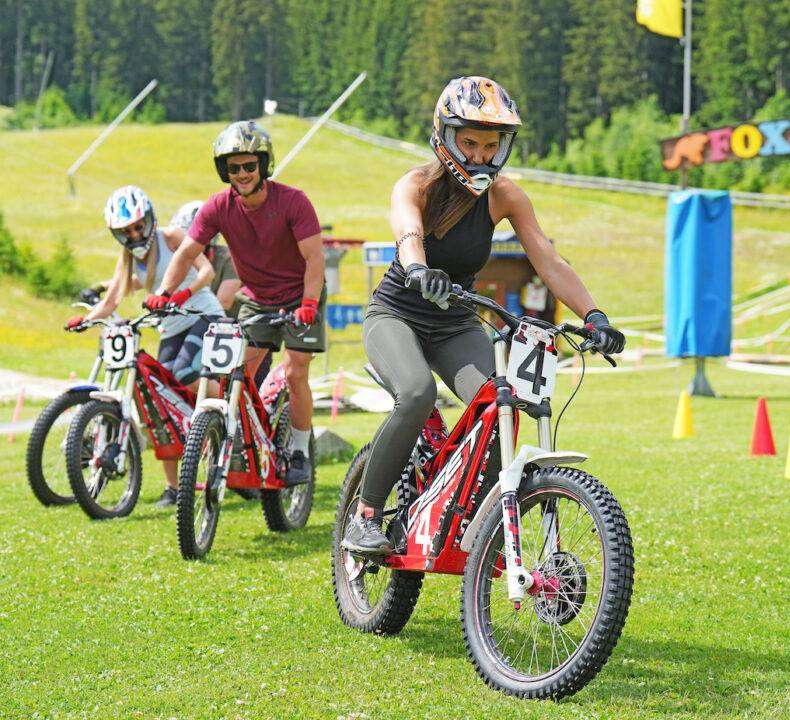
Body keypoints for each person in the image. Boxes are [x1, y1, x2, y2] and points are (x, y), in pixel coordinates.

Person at [341, 76, 626, 554]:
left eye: (490, 145)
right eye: (468, 142)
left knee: (502, 406)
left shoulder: (505, 196)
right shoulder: (415, 185)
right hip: (396, 313)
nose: (478, 155)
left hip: (454, 323)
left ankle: (472, 520)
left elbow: (548, 261)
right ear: (445, 137)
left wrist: (595, 315)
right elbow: (409, 235)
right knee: (415, 393)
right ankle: (365, 516)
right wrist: (418, 270)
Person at [144, 120, 326, 486]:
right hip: (258, 301)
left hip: (300, 297)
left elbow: (314, 260)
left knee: (295, 371)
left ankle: (299, 450)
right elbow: (185, 254)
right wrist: (163, 293)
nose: (241, 174)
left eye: (248, 165)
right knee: (234, 375)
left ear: (263, 164)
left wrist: (308, 303)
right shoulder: (217, 207)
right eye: (233, 168)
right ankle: (242, 437)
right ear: (224, 171)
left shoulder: (293, 201)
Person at [65, 185, 224, 508]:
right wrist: (84, 320)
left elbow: (207, 272)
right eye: (127, 231)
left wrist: (181, 295)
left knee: (181, 373)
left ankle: (216, 416)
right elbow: (111, 300)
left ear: (150, 219)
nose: (136, 235)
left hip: (203, 315)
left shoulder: (171, 238)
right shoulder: (128, 260)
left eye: (139, 226)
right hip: (170, 327)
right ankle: (173, 486)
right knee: (159, 399)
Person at [166, 201, 242, 316]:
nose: (186, 246)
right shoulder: (181, 263)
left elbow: (223, 302)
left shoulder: (229, 259)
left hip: (232, 326)